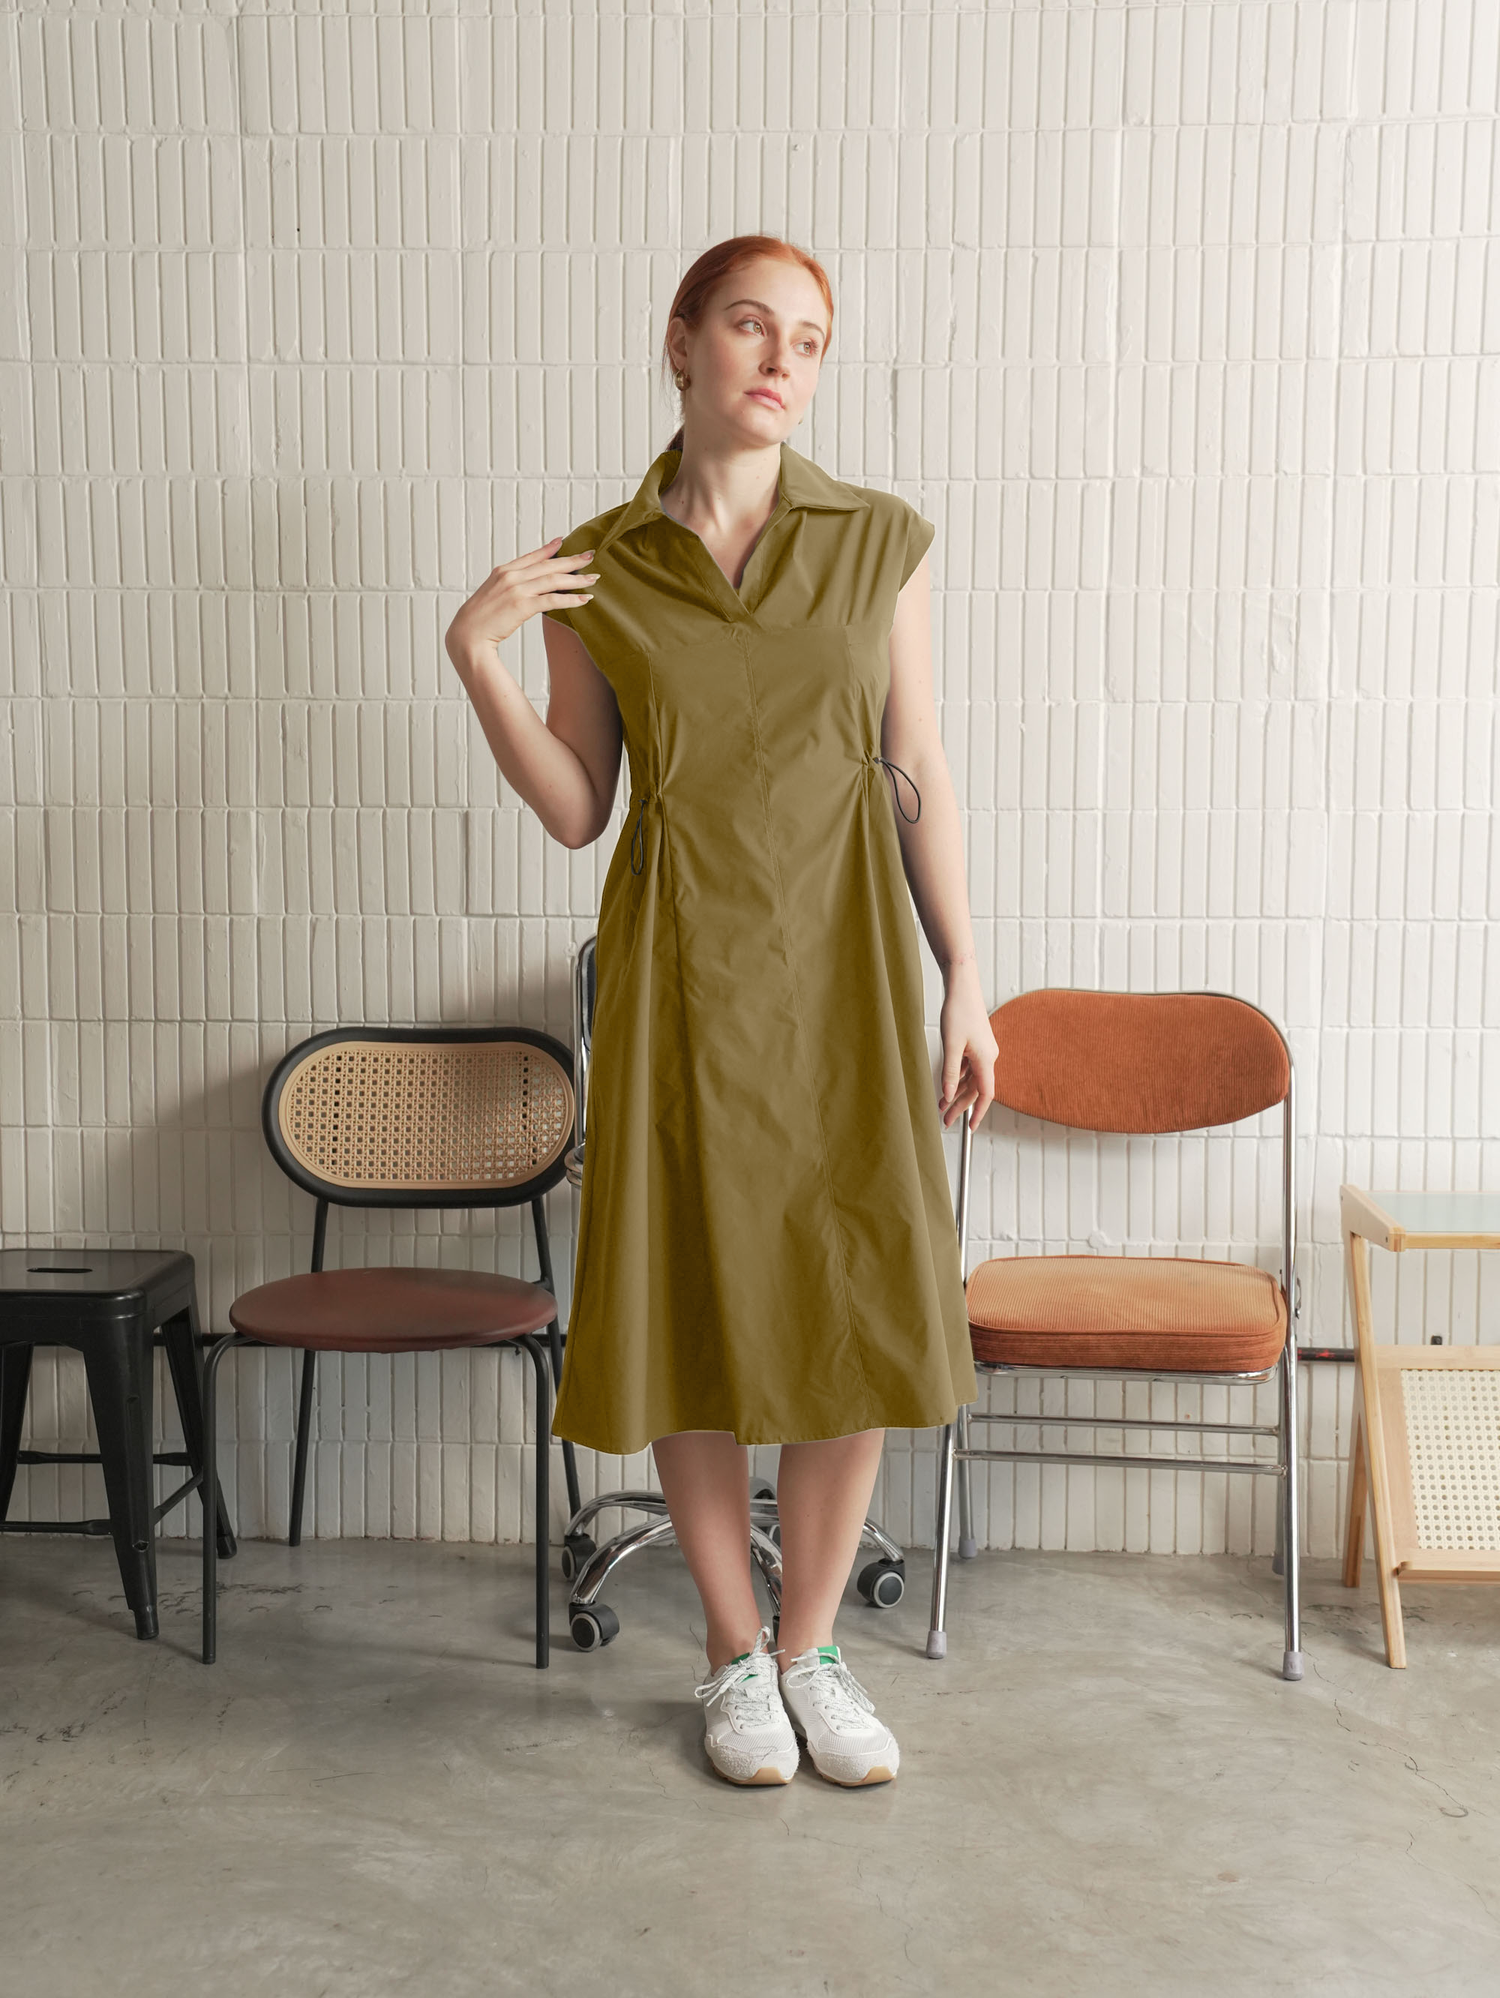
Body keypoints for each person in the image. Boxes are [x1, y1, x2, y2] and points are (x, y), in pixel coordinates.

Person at [445, 234, 996, 1788]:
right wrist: (477, 655)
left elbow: (915, 767)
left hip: (849, 968)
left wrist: (967, 972)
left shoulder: (878, 540)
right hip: (681, 971)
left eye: (809, 340)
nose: (782, 361)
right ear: (680, 340)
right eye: (753, 325)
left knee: (852, 1298)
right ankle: (733, 1651)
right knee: (690, 1301)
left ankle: (815, 1649)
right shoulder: (600, 567)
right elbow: (578, 805)